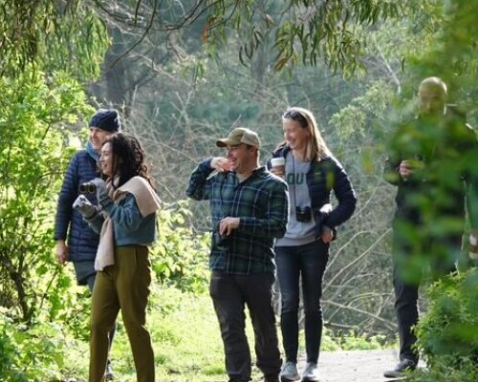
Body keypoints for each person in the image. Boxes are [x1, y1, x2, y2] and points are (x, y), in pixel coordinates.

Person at [383, 77, 478, 378]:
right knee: (404, 290)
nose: (428, 105)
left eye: (435, 98)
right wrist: (399, 172)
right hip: (408, 221)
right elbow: (387, 172)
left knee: (444, 287)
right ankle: (408, 358)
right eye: (423, 98)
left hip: (445, 222)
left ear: (445, 98)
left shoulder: (463, 135)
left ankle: (446, 357)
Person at [186, 127, 289, 382]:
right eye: (226, 149)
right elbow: (193, 190)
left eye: (234, 148)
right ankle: (238, 377)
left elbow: (278, 227)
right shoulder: (221, 179)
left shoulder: (274, 186)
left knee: (263, 326)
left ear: (251, 150)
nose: (229, 154)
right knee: (231, 328)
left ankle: (271, 374)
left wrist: (241, 222)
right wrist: (208, 163)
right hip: (222, 266)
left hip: (257, 268)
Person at [269, 107, 357, 382]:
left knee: (312, 303)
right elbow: (262, 193)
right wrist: (273, 184)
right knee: (288, 302)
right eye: (285, 131)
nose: (288, 135)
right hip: (283, 242)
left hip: (313, 242)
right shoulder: (277, 158)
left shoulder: (325, 163)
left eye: (292, 130)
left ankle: (313, 365)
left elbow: (349, 200)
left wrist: (329, 224)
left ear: (306, 129)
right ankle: (290, 363)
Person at [74, 133, 161, 382]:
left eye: (107, 154)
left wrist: (104, 200)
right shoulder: (113, 187)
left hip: (132, 258)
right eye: (100, 154)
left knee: (135, 326)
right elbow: (110, 225)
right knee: (98, 324)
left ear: (121, 158)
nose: (101, 159)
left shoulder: (137, 186)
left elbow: (129, 223)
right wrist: (90, 213)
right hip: (108, 260)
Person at [54, 108, 121, 380]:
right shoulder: (80, 159)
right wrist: (60, 239)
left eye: (99, 131)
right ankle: (102, 367)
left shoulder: (125, 161)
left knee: (109, 306)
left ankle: (103, 363)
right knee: (102, 304)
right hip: (85, 246)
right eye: (91, 129)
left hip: (116, 243)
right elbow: (64, 198)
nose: (93, 135)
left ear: (113, 134)